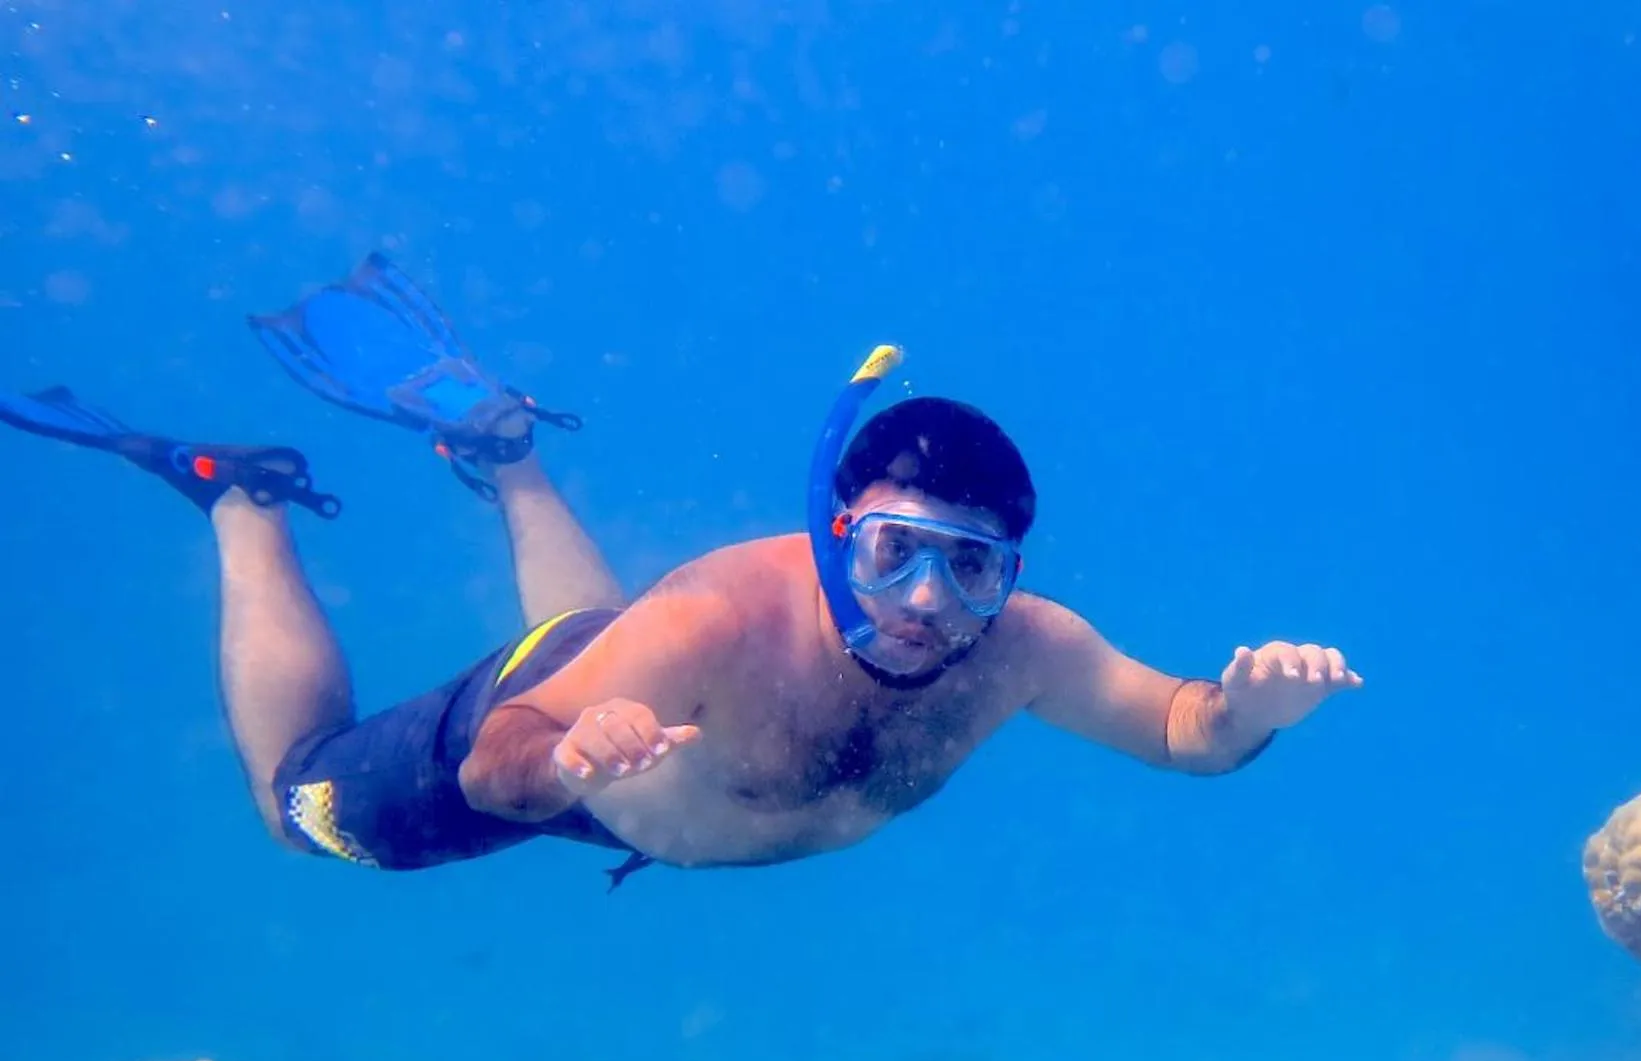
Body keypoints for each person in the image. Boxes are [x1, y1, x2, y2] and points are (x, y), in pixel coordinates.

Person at [1, 256, 1360, 885]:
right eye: (894, 554)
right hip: (567, 745)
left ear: (1012, 575)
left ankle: (506, 452)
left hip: (640, 734)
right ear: (837, 531)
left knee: (607, 637)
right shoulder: (722, 617)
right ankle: (241, 498)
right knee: (296, 807)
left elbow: (1181, 729)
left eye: (972, 570)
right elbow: (495, 765)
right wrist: (560, 756)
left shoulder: (1026, 651)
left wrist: (1252, 709)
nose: (927, 606)